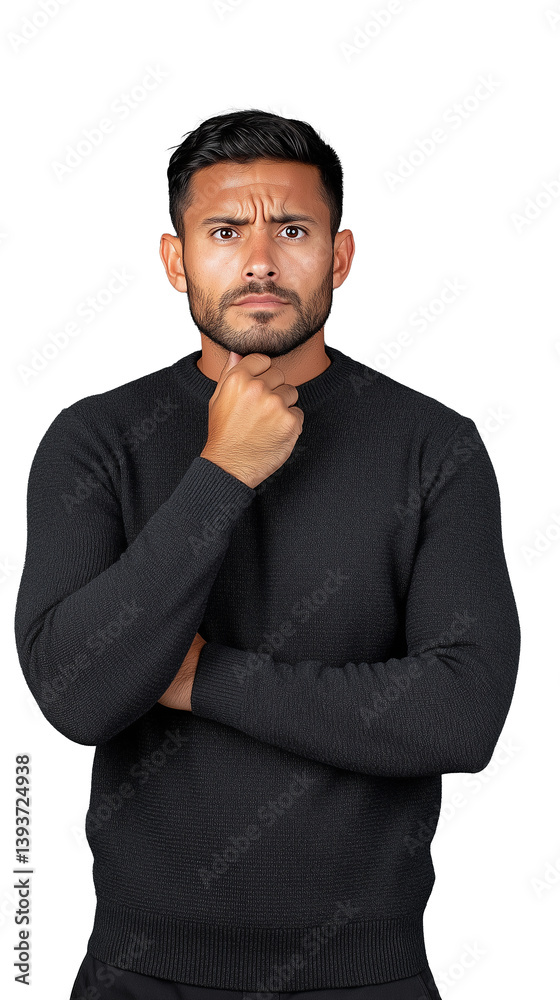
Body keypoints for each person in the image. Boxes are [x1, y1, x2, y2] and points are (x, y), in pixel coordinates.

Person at [14, 109, 520, 1000]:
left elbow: (460, 717)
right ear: (176, 260)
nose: (259, 261)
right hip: (141, 977)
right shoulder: (95, 441)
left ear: (340, 255)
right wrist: (223, 471)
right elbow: (78, 695)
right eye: (224, 232)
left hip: (369, 978)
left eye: (291, 230)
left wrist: (196, 675)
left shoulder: (435, 447)